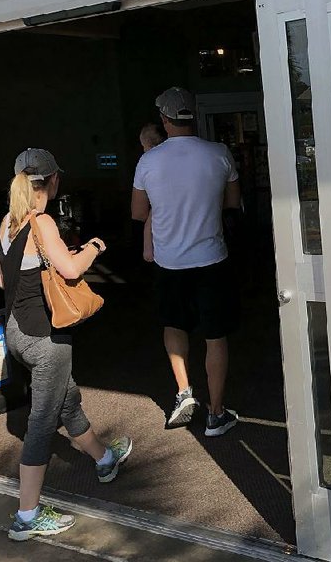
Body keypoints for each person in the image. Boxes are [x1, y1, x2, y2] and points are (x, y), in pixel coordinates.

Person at [0, 148, 133, 541]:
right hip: (46, 338)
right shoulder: (43, 223)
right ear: (53, 181)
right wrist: (93, 248)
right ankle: (27, 516)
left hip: (17, 334)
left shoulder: (7, 223)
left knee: (66, 398)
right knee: (42, 422)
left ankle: (104, 458)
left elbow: (7, 281)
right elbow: (70, 269)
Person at [131, 87, 241, 436]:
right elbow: (231, 203)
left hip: (169, 262)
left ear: (164, 121)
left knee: (174, 327)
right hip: (211, 259)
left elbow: (138, 212)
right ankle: (216, 413)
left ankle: (184, 394)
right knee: (215, 335)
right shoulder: (219, 153)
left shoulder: (149, 160)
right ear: (193, 115)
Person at [138, 123, 167, 263]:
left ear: (147, 144)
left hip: (165, 250)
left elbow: (139, 213)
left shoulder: (147, 162)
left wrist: (147, 247)